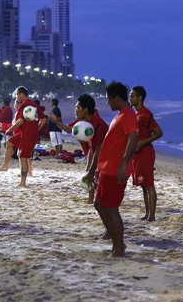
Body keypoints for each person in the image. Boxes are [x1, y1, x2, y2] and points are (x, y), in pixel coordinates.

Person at [94, 82, 137, 257]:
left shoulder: (128, 115)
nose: (108, 103)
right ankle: (114, 238)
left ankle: (119, 248)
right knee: (99, 204)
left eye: (109, 99)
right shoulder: (119, 115)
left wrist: (123, 164)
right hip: (106, 169)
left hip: (115, 171)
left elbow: (133, 139)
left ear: (117, 98)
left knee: (112, 209)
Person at [49, 94, 109, 203]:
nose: (75, 110)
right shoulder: (82, 121)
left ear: (85, 110)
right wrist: (56, 122)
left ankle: (98, 200)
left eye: (77, 108)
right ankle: (91, 200)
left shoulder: (99, 125)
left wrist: (91, 167)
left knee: (97, 177)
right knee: (90, 173)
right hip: (92, 151)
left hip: (106, 155)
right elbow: (69, 130)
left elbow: (99, 150)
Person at [129, 86, 163, 222]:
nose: (130, 99)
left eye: (132, 96)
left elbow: (159, 132)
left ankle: (152, 216)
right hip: (136, 154)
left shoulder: (146, 114)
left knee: (149, 184)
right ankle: (147, 213)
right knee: (142, 184)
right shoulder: (134, 114)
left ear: (139, 98)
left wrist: (143, 143)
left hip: (146, 153)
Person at [4, 87, 41, 187]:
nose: (16, 97)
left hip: (26, 134)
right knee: (10, 143)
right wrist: (36, 129)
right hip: (30, 134)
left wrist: (9, 130)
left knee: (23, 157)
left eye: (17, 95)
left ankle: (22, 183)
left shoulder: (24, 105)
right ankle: (5, 165)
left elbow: (20, 121)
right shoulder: (34, 105)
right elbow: (41, 119)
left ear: (21, 94)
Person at [0, 99, 23, 172]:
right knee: (22, 154)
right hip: (18, 133)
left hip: (22, 134)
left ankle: (5, 166)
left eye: (15, 103)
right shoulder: (17, 112)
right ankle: (28, 171)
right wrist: (4, 126)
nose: (14, 104)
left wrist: (5, 127)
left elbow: (17, 124)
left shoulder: (19, 112)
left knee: (10, 144)